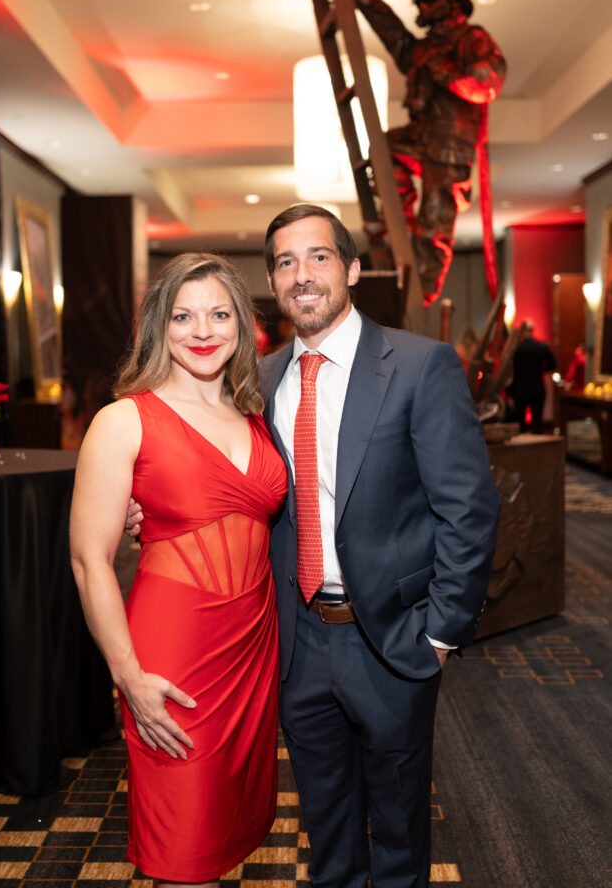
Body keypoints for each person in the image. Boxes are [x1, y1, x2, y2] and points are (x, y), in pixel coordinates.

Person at [127, 205, 500, 888]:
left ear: (352, 268)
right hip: (296, 644)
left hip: (392, 641)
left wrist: (440, 633)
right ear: (271, 280)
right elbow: (222, 485)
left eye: (318, 257)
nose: (303, 276)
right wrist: (142, 506)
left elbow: (468, 510)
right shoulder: (253, 382)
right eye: (285, 263)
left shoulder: (419, 366)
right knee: (326, 833)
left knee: (397, 832)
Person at [70, 253, 287, 886]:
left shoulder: (254, 415)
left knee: (232, 829)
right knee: (182, 846)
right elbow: (89, 563)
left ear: (242, 326)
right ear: (158, 325)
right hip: (175, 655)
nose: (202, 331)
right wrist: (128, 677)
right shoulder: (123, 420)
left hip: (252, 647)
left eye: (220, 314)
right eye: (183, 316)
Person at [347, 0, 506, 302]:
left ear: (452, 2)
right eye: (419, 0)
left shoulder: (471, 38)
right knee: (383, 149)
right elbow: (392, 32)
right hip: (422, 136)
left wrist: (444, 71)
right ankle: (398, 219)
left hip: (451, 145)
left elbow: (487, 82)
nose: (421, 7)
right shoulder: (422, 50)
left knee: (433, 228)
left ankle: (421, 298)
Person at [508, 319, 556, 433]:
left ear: (522, 331)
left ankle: (521, 449)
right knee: (537, 422)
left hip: (520, 389)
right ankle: (538, 448)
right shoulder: (542, 347)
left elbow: (510, 371)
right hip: (537, 388)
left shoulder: (516, 349)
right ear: (532, 330)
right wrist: (540, 370)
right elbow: (553, 365)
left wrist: (510, 391)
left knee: (520, 423)